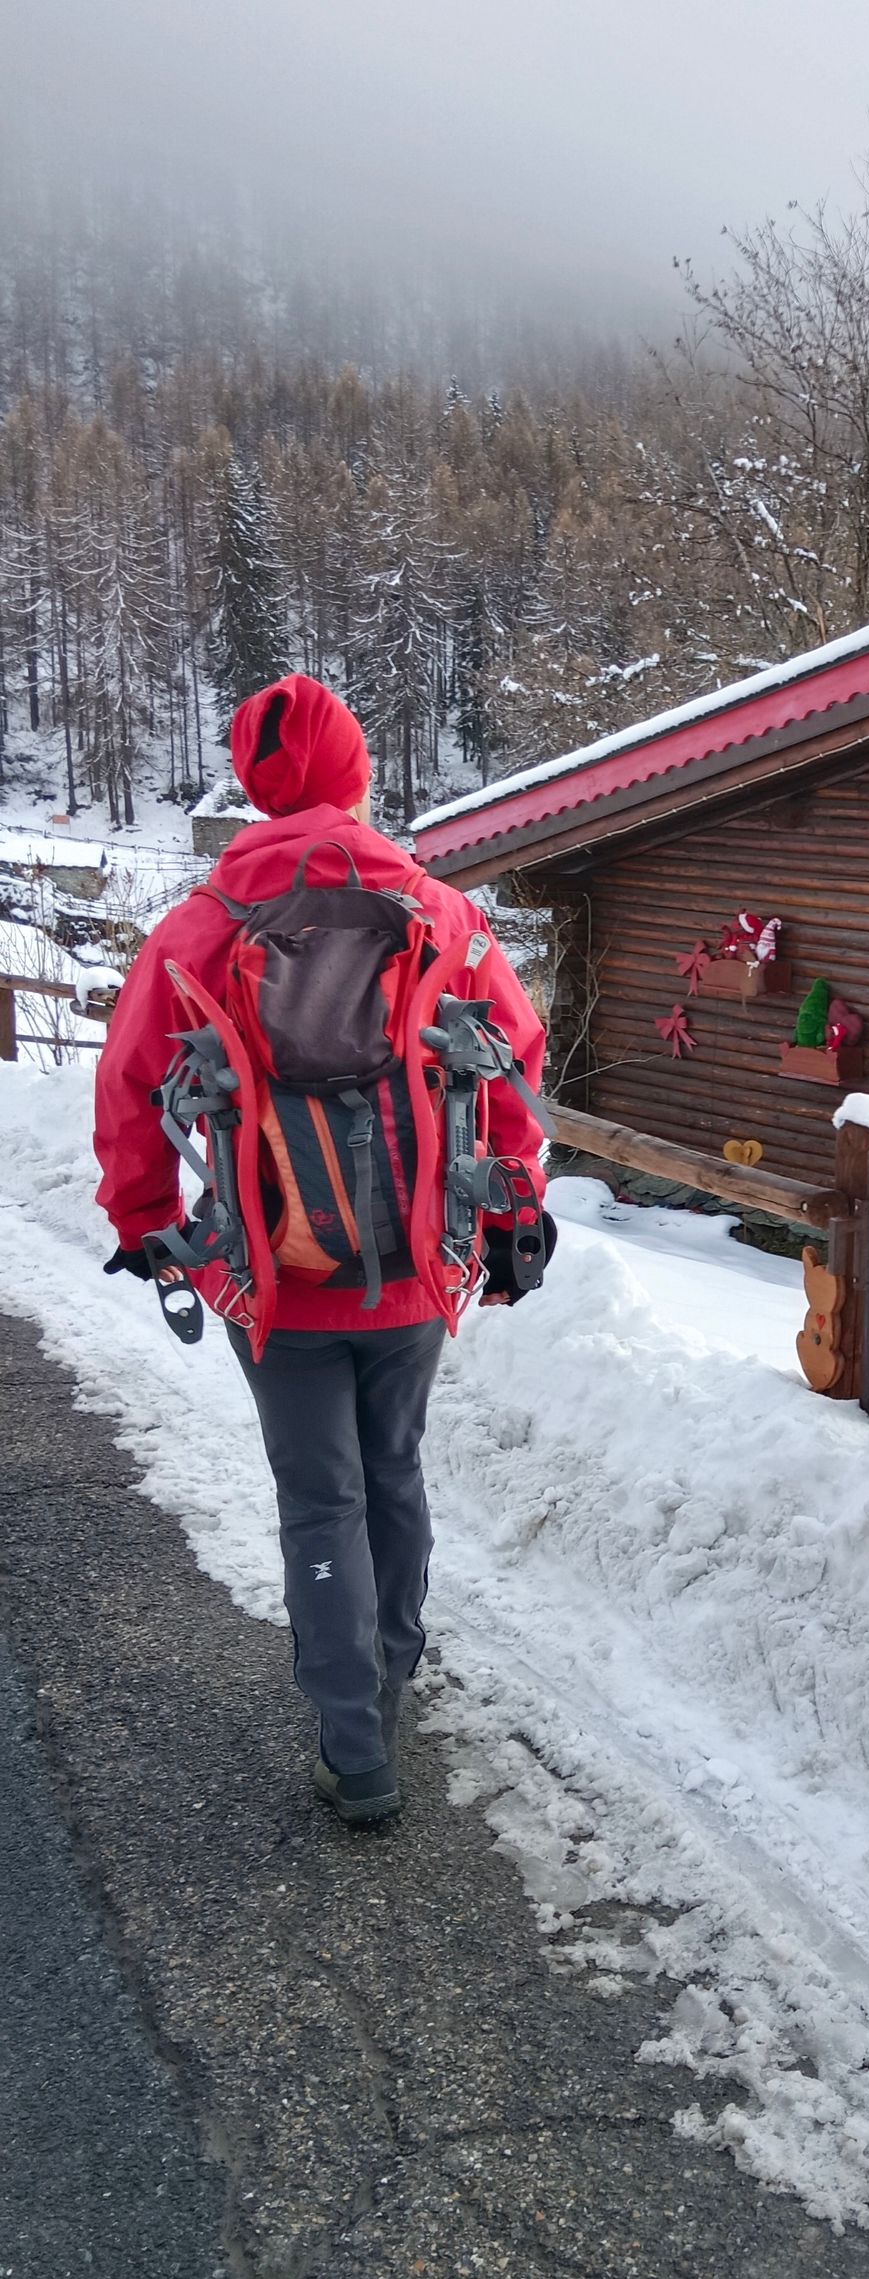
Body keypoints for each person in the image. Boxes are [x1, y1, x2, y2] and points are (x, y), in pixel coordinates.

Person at [94, 676, 550, 1824]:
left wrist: (145, 1224)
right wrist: (512, 1218)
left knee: (319, 1499)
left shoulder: (200, 927)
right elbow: (511, 1068)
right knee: (393, 1470)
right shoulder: (442, 915)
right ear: (356, 774)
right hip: (417, 1266)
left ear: (254, 786)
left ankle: (355, 1752)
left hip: (275, 1277)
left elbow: (130, 1086)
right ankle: (389, 1679)